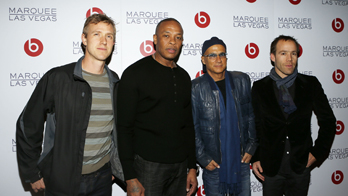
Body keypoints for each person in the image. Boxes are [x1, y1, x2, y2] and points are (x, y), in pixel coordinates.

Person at [16, 13, 124, 196]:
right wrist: (31, 173)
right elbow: (28, 124)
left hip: (103, 179)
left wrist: (115, 167)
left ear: (114, 43)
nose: (103, 41)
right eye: (96, 34)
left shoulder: (115, 82)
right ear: (84, 39)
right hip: (63, 180)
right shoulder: (58, 78)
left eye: (109, 36)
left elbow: (116, 132)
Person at [117, 18, 197, 196]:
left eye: (178, 37)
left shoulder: (184, 77)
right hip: (148, 166)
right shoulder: (134, 74)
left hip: (180, 167)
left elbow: (188, 126)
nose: (172, 42)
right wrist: (129, 176)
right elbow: (123, 128)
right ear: (155, 39)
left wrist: (191, 167)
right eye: (166, 36)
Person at [251, 35, 336, 196]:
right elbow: (255, 125)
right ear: (272, 57)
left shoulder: (310, 84)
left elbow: (329, 121)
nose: (290, 59)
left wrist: (317, 153)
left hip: (300, 166)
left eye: (294, 53)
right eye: (283, 53)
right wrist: (255, 157)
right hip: (271, 167)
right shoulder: (260, 87)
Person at [191, 37, 257, 196]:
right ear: (203, 59)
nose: (218, 59)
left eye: (222, 54)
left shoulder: (242, 80)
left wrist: (251, 146)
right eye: (212, 55)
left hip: (241, 161)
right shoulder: (196, 87)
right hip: (214, 164)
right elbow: (193, 127)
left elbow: (250, 117)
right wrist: (203, 158)